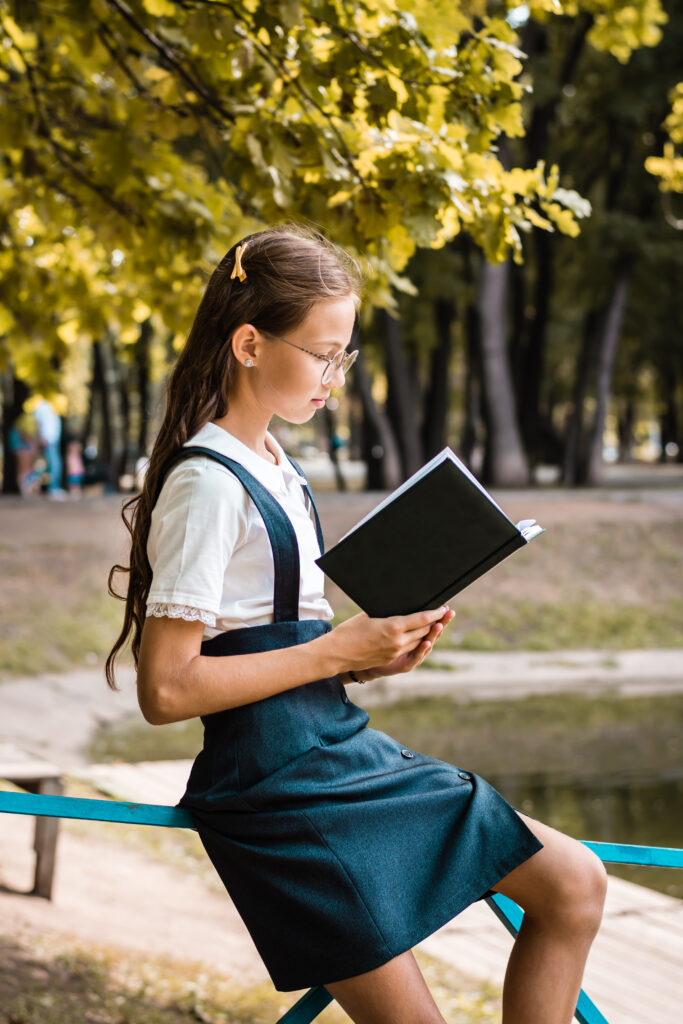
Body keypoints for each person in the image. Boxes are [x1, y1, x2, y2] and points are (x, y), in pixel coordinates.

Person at [106, 226, 606, 1024]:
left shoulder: (281, 470)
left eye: (345, 357)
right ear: (247, 343)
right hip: (276, 789)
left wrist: (365, 659)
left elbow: (280, 649)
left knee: (574, 882)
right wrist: (334, 650)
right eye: (321, 353)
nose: (334, 378)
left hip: (335, 753)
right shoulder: (206, 485)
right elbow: (166, 689)